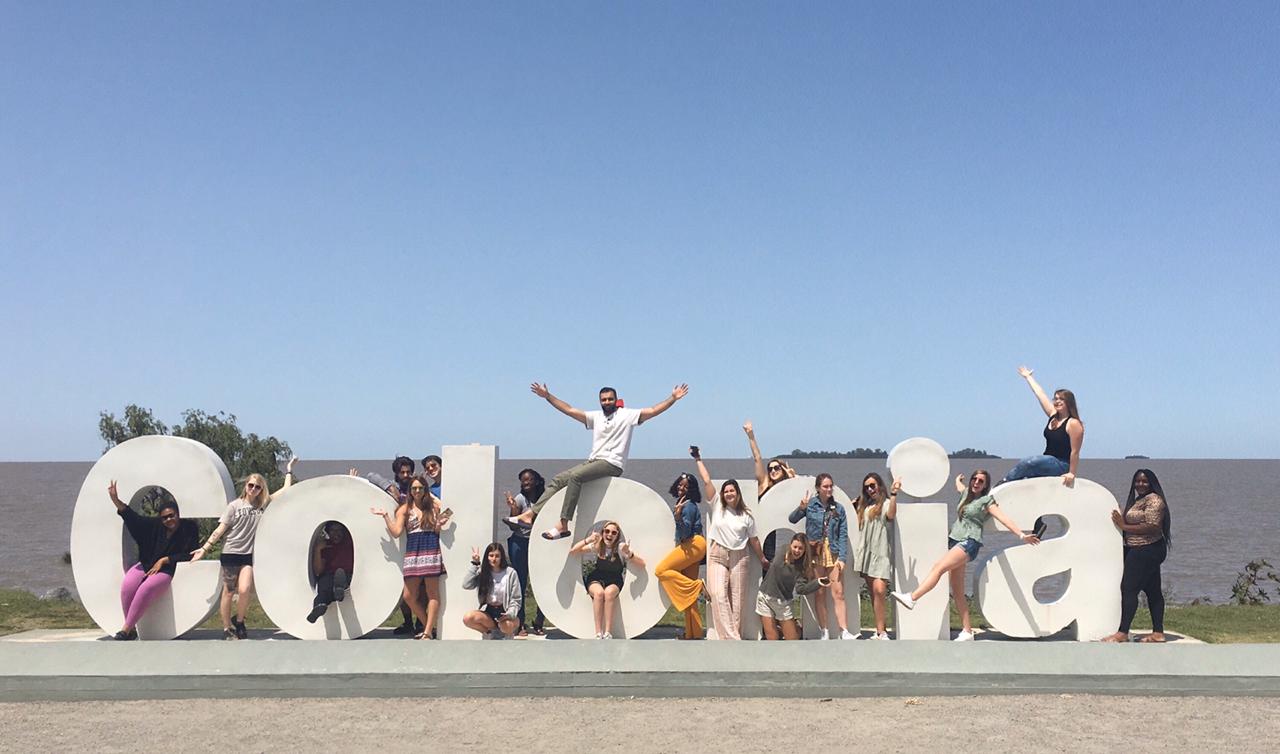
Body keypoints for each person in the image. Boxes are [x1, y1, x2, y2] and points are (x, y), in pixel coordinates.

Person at [506, 383, 690, 540]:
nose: (607, 402)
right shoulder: (596, 417)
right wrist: (547, 396)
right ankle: (531, 514)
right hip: (594, 461)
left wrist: (672, 398)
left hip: (612, 464)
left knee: (576, 476)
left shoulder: (627, 415)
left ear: (616, 400)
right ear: (600, 401)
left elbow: (652, 411)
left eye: (610, 399)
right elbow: (569, 410)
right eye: (603, 400)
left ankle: (563, 524)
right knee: (559, 479)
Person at [892, 470, 1041, 640]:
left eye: (981, 481)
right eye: (974, 479)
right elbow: (960, 487)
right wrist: (958, 479)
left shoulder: (986, 501)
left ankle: (912, 597)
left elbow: (1004, 519)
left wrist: (1022, 535)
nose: (976, 483)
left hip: (969, 542)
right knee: (957, 590)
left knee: (938, 567)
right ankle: (967, 631)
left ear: (985, 485)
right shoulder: (965, 495)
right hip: (955, 541)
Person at [105, 480, 200, 640]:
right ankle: (131, 628)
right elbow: (132, 518)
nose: (168, 520)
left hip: (168, 569)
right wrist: (116, 501)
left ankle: (125, 630)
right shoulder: (155, 526)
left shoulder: (189, 528)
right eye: (164, 518)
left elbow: (191, 554)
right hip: (146, 565)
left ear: (178, 514)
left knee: (146, 589)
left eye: (172, 516)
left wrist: (166, 560)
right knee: (127, 586)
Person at [1002, 366, 1085, 538]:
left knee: (1028, 462)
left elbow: (1075, 452)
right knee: (1029, 488)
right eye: (1055, 399)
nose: (1056, 401)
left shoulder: (1073, 424)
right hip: (1047, 462)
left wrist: (1071, 473)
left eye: (1060, 399)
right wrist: (1028, 377)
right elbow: (1039, 393)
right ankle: (1038, 524)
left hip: (1060, 464)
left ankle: (1001, 485)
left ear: (1069, 402)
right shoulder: (1052, 416)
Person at [694, 447, 766, 640]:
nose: (728, 493)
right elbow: (707, 480)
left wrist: (762, 558)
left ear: (738, 493)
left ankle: (733, 638)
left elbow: (754, 540)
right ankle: (733, 639)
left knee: (738, 600)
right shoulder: (717, 504)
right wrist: (698, 459)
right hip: (718, 554)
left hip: (740, 556)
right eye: (726, 491)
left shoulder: (747, 515)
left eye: (731, 490)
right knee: (717, 594)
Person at [190, 473, 272, 640]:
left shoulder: (262, 505)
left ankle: (240, 621)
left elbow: (284, 491)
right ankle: (227, 628)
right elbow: (220, 530)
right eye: (251, 485)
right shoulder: (234, 506)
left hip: (247, 555)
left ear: (261, 489)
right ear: (246, 486)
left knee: (245, 589)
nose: (253, 489)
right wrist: (204, 549)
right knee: (228, 592)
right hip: (230, 553)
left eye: (257, 487)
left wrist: (289, 471)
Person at [371, 475, 450, 640]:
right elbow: (396, 532)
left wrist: (434, 505)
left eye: (420, 488)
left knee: (433, 593)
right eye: (414, 488)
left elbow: (446, 510)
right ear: (410, 491)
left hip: (431, 548)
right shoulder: (405, 509)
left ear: (425, 489)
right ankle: (430, 626)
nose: (417, 491)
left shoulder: (432, 507)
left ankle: (427, 632)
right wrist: (385, 516)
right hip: (413, 551)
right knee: (408, 596)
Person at [1103, 469, 1172, 643]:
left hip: (1147, 550)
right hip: (1138, 549)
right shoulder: (1138, 501)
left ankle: (1122, 632)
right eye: (1137, 481)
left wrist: (1123, 526)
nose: (1140, 484)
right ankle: (1158, 633)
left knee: (1129, 589)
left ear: (1152, 483)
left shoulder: (1155, 501)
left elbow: (1153, 527)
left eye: (1144, 481)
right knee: (1152, 590)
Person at [789, 474, 855, 640]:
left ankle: (843, 630)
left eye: (830, 486)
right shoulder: (811, 505)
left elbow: (843, 534)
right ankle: (823, 630)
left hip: (833, 552)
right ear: (818, 488)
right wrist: (801, 508)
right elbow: (792, 519)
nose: (829, 489)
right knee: (819, 593)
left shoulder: (838, 508)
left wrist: (842, 557)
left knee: (838, 592)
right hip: (816, 553)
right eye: (825, 486)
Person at [654, 467, 707, 640]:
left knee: (661, 570)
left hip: (693, 544)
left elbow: (685, 533)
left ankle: (699, 586)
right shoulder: (684, 502)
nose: (681, 488)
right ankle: (693, 633)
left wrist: (677, 517)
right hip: (694, 546)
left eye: (685, 486)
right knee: (688, 596)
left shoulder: (688, 505)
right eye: (680, 485)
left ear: (691, 490)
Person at [569, 522, 645, 639]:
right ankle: (598, 632)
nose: (610, 534)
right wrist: (588, 540)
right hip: (596, 577)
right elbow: (573, 551)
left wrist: (629, 553)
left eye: (614, 532)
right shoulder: (597, 546)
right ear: (603, 532)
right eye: (607, 531)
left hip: (614, 579)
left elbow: (642, 564)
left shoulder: (620, 548)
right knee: (599, 593)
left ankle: (608, 632)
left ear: (617, 536)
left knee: (609, 594)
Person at [852, 473, 901, 640]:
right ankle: (880, 629)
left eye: (872, 485)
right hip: (866, 552)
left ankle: (882, 632)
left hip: (881, 553)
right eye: (867, 487)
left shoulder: (886, 503)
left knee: (880, 591)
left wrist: (894, 494)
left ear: (880, 485)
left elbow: (891, 515)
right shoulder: (864, 506)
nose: (870, 489)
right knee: (873, 593)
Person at [744, 420, 796, 570]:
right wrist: (751, 435)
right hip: (753, 529)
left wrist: (791, 475)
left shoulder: (785, 489)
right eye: (770, 468)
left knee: (767, 566)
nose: (773, 470)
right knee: (751, 567)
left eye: (777, 467)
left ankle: (765, 593)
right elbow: (757, 458)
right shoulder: (764, 483)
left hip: (769, 532)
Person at [757, 533, 828, 640]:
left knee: (792, 640)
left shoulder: (802, 568)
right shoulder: (782, 550)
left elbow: (801, 589)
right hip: (765, 598)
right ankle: (779, 628)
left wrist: (818, 582)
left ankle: (796, 627)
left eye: (800, 548)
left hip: (783, 603)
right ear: (790, 545)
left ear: (804, 550)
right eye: (795, 547)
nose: (797, 550)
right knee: (772, 640)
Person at [502, 468, 548, 635]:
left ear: (536, 481)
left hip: (540, 544)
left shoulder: (545, 499)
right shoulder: (520, 499)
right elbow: (513, 525)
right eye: (523, 480)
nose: (525, 483)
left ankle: (539, 621)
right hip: (520, 543)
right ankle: (519, 623)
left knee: (542, 582)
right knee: (519, 583)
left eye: (528, 480)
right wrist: (514, 508)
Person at [462, 543, 523, 639]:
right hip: (489, 611)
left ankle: (507, 634)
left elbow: (516, 599)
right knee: (468, 618)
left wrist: (510, 613)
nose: (494, 559)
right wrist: (475, 564)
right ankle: (489, 632)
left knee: (506, 625)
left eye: (497, 556)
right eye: (491, 556)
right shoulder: (483, 572)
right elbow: (466, 585)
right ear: (487, 557)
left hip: (505, 610)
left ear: (502, 557)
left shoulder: (511, 573)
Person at [306, 522, 353, 623]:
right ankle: (319, 606)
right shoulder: (326, 547)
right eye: (332, 530)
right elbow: (318, 570)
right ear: (328, 532)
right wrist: (318, 550)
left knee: (340, 575)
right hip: (329, 576)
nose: (336, 533)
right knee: (324, 585)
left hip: (346, 574)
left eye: (339, 530)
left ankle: (339, 588)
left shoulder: (349, 543)